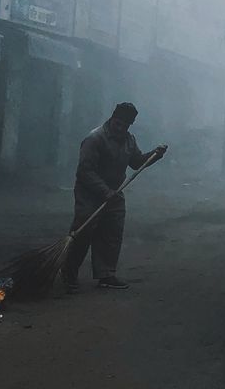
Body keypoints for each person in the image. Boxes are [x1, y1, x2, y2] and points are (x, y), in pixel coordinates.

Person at [62, 102, 167, 292]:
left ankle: (106, 275)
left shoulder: (129, 140)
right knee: (82, 233)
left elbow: (136, 163)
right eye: (118, 123)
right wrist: (104, 191)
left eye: (125, 125)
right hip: (90, 192)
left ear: (129, 125)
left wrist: (154, 155)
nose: (120, 128)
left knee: (111, 233)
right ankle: (69, 275)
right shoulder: (95, 139)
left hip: (115, 192)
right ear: (112, 119)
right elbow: (85, 171)